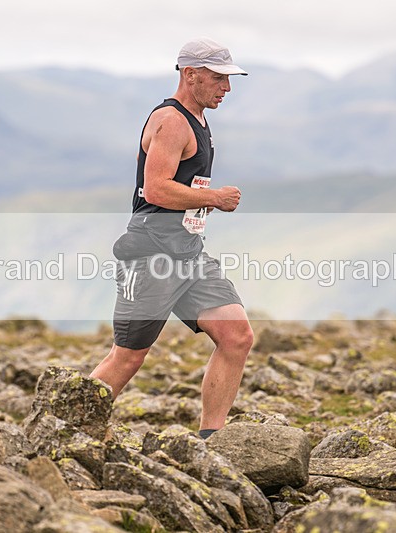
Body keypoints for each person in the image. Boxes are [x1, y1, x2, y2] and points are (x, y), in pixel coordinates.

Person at [90, 38, 254, 439]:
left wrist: (199, 205)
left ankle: (211, 440)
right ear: (190, 74)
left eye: (229, 79)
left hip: (187, 251)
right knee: (128, 357)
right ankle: (62, 429)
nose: (226, 87)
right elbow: (156, 189)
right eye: (218, 78)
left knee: (236, 336)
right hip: (151, 254)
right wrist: (214, 198)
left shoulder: (198, 119)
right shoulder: (171, 121)